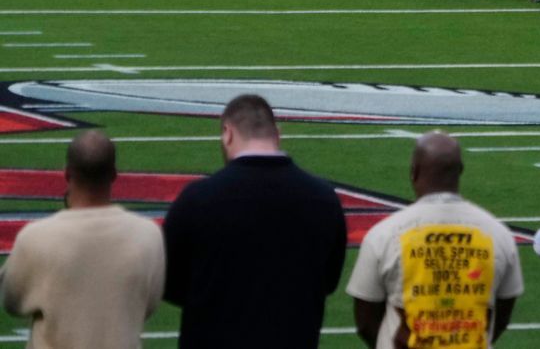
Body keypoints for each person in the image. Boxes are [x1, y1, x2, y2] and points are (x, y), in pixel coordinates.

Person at [162, 94, 348, 349]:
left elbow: (170, 284)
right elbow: (327, 281)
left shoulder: (197, 198)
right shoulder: (324, 199)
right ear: (277, 134)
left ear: (228, 133)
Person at [346, 132, 521, 347]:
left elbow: (365, 322)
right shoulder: (498, 234)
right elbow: (501, 315)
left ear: (414, 172)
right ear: (461, 172)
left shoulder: (384, 234)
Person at [0, 130, 164, 347]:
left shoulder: (36, 238)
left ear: (67, 174)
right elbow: (148, 304)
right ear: (114, 175)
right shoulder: (148, 236)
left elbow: (12, 301)